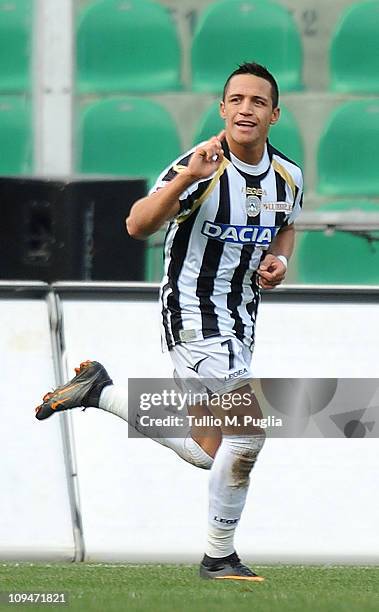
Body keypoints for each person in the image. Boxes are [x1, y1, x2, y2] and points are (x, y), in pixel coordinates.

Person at [35, 62, 303, 581]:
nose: (246, 109)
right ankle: (218, 558)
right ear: (223, 108)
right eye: (237, 100)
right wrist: (187, 178)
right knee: (247, 434)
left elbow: (287, 226)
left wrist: (280, 261)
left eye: (258, 102)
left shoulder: (287, 175)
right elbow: (136, 224)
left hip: (241, 321)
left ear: (275, 113)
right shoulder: (200, 166)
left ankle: (99, 391)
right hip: (193, 317)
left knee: (213, 453)